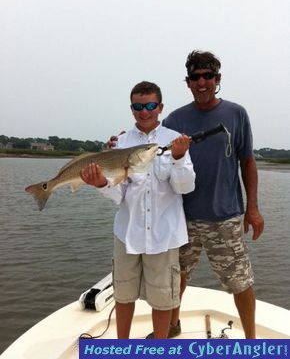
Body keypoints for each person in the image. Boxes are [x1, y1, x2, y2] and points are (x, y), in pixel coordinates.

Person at [146, 50, 264, 339]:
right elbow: (152, 153)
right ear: (188, 82)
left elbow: (247, 161)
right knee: (177, 278)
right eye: (196, 77)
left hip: (224, 216)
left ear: (217, 79)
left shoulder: (236, 114)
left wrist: (253, 208)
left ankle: (251, 340)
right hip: (181, 216)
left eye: (208, 76)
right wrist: (118, 144)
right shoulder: (175, 118)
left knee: (240, 281)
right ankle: (173, 327)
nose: (202, 82)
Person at [80, 81, 196, 339]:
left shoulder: (174, 140)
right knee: (123, 295)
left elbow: (185, 187)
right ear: (132, 108)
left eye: (151, 106)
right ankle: (123, 348)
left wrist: (178, 158)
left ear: (161, 107)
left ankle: (160, 349)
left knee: (163, 299)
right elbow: (118, 194)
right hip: (127, 232)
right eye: (138, 106)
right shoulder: (120, 142)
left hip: (164, 235)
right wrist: (100, 183)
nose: (145, 112)